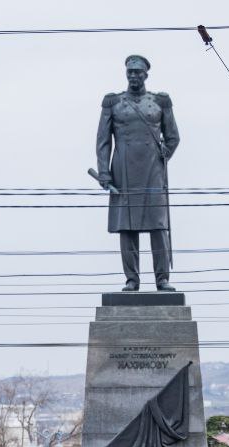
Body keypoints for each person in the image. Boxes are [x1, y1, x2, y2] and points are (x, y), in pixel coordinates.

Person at [95, 54, 180, 293]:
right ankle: (132, 280)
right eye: (130, 72)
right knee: (127, 227)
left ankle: (162, 279)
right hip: (123, 171)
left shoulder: (160, 102)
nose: (133, 76)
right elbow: (103, 140)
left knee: (158, 226)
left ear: (146, 75)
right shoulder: (113, 103)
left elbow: (173, 136)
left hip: (153, 170)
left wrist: (166, 153)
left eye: (138, 72)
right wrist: (104, 173)